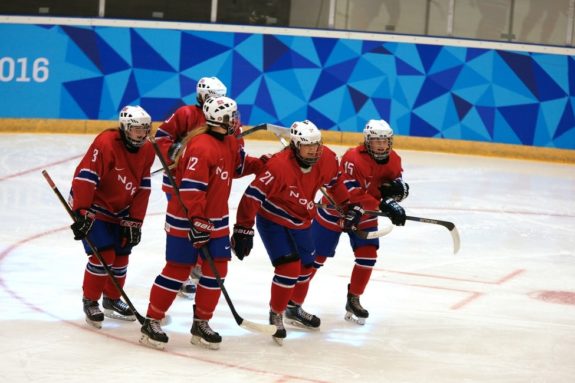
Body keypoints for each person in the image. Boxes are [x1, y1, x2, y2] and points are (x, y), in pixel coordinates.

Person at [139, 96, 264, 350]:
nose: (237, 120)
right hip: (186, 219)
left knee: (217, 271)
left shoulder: (229, 141)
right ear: (223, 120)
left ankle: (201, 322)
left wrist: (262, 163)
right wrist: (197, 221)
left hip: (216, 220)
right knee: (178, 269)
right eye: (233, 116)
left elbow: (237, 166)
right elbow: (191, 190)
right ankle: (152, 320)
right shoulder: (201, 146)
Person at [232, 120, 364, 345]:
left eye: (316, 144)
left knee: (307, 266)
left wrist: (348, 207)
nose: (313, 150)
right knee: (288, 268)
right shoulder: (277, 166)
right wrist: (243, 228)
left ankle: (293, 308)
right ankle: (277, 313)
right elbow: (252, 197)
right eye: (307, 145)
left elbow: (335, 183)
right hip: (273, 220)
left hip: (301, 219)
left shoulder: (328, 158)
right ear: (295, 146)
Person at [310, 119, 408, 325]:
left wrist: (395, 200)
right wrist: (383, 204)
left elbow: (393, 187)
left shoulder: (394, 159)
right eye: (377, 141)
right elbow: (351, 194)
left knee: (368, 256)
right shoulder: (352, 158)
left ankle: (354, 298)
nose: (382, 145)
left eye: (385, 141)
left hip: (366, 214)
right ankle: (292, 301)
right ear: (367, 141)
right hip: (336, 210)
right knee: (315, 258)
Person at [69, 105, 155, 329]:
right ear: (126, 128)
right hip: (95, 205)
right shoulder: (106, 143)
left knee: (122, 256)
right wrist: (81, 211)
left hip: (121, 208)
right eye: (137, 129)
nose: (142, 134)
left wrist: (135, 220)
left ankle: (112, 299)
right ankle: (90, 300)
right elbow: (86, 177)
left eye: (146, 129)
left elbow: (143, 187)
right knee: (103, 256)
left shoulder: (147, 150)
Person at [154, 76, 229, 299]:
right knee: (187, 225)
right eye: (214, 97)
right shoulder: (186, 113)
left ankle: (196, 264)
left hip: (210, 184)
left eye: (221, 97)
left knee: (202, 223)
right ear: (202, 95)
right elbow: (161, 137)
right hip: (178, 183)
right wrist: (175, 152)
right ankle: (183, 272)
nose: (218, 101)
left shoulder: (223, 114)